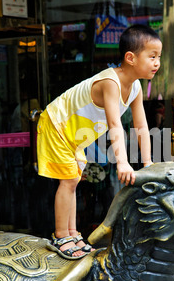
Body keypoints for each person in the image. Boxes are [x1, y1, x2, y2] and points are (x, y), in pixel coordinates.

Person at [37, 24, 161, 259]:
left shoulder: (135, 86)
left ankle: (73, 235)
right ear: (130, 58)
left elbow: (141, 126)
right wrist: (122, 163)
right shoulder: (111, 82)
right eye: (152, 56)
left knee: (74, 178)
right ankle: (61, 236)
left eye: (159, 57)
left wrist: (147, 162)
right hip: (57, 124)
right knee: (70, 179)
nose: (157, 62)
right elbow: (115, 125)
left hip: (75, 137)